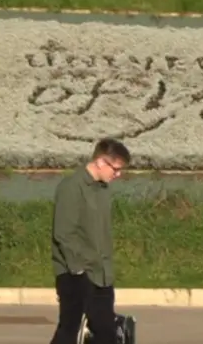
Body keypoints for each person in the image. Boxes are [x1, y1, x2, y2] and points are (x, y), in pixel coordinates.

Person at [49, 138, 131, 344]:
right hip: (76, 274)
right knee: (69, 331)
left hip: (101, 274)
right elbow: (64, 232)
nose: (118, 174)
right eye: (116, 169)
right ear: (101, 162)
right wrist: (78, 270)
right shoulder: (72, 187)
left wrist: (106, 269)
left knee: (106, 333)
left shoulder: (102, 189)